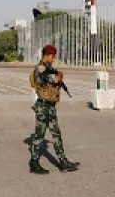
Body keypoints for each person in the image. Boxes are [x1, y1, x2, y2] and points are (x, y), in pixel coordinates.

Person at [27, 44, 79, 175]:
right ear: (46, 55)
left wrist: (58, 76)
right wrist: (59, 76)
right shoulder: (40, 69)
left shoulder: (49, 68)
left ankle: (63, 162)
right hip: (42, 106)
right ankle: (34, 163)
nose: (54, 59)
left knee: (56, 134)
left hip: (50, 106)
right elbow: (56, 79)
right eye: (52, 56)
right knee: (39, 135)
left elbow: (57, 79)